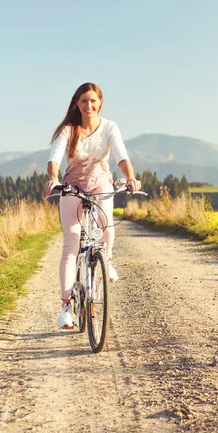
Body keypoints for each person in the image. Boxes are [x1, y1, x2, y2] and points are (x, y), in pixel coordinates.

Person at [45, 82, 141, 329]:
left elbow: (121, 156)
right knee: (71, 244)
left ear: (100, 103)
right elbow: (54, 158)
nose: (89, 105)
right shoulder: (68, 130)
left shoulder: (109, 127)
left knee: (106, 223)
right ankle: (66, 307)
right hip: (73, 187)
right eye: (84, 101)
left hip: (100, 182)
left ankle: (106, 260)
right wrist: (53, 178)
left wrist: (130, 177)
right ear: (77, 103)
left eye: (93, 101)